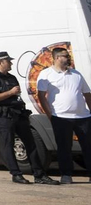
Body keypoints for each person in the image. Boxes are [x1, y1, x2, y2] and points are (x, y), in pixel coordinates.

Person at [0, 51, 47, 185]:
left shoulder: (12, 77)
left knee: (31, 143)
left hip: (19, 113)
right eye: (9, 61)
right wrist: (10, 92)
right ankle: (16, 174)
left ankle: (39, 175)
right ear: (0, 62)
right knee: (8, 145)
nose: (11, 63)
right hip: (5, 116)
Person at [35, 47, 91, 184]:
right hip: (60, 117)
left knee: (88, 146)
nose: (68, 58)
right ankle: (66, 174)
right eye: (65, 56)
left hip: (82, 117)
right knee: (64, 147)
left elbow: (87, 94)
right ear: (57, 58)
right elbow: (41, 96)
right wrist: (50, 115)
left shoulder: (76, 74)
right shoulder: (45, 74)